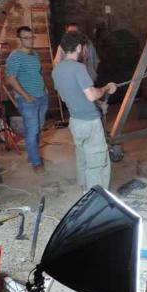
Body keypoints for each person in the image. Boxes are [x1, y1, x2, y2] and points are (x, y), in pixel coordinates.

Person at [52, 31, 117, 191]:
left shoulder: (56, 70)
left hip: (75, 121)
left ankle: (84, 188)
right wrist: (107, 87)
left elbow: (65, 97)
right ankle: (96, 199)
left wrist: (99, 104)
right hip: (90, 123)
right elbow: (91, 95)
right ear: (79, 48)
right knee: (97, 162)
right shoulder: (79, 68)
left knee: (82, 157)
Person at [5, 26, 48, 173]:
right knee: (32, 131)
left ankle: (32, 155)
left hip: (42, 97)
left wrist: (45, 88)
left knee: (38, 129)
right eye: (26, 38)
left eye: (32, 37)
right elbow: (11, 78)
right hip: (28, 101)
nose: (30, 40)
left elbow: (38, 73)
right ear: (20, 39)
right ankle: (36, 162)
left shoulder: (35, 54)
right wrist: (25, 96)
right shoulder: (15, 56)